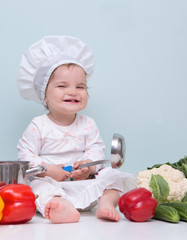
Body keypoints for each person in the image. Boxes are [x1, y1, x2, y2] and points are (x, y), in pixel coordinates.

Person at [16, 35, 136, 223]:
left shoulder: (88, 123)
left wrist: (89, 166)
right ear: (44, 96)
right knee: (36, 188)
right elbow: (25, 157)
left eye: (80, 86)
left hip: (83, 184)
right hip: (50, 181)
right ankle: (59, 207)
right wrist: (48, 170)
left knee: (112, 176)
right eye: (62, 86)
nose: (73, 91)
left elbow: (96, 150)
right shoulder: (38, 125)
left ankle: (106, 204)